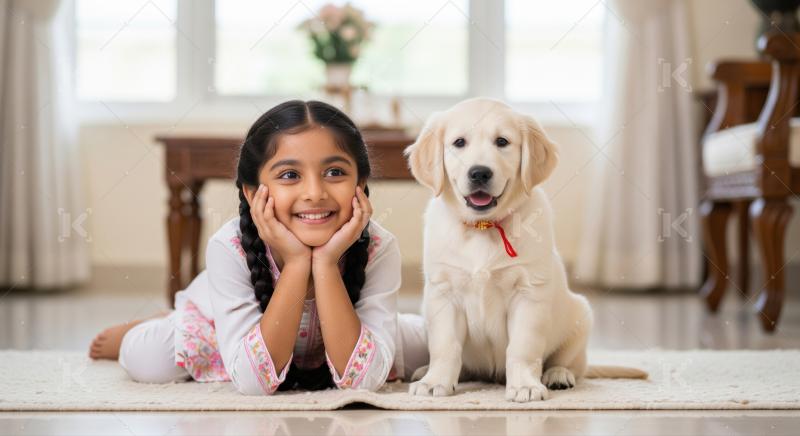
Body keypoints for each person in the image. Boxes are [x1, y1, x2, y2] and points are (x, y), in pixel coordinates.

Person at [89, 100, 428, 395]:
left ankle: (395, 326)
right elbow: (253, 384)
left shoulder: (379, 247)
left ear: (361, 184)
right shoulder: (229, 245)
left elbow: (364, 381)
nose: (314, 192)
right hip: (233, 328)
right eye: (290, 175)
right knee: (148, 361)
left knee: (431, 347)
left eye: (335, 172)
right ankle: (165, 321)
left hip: (343, 333)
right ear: (252, 193)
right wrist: (297, 264)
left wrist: (324, 264)